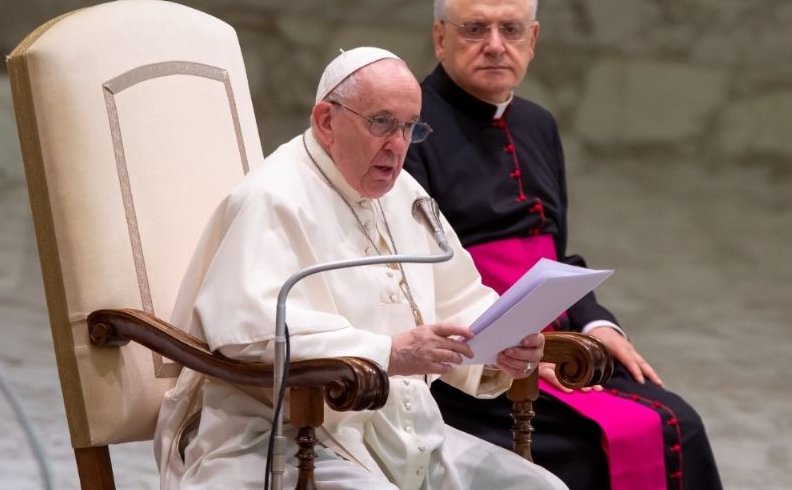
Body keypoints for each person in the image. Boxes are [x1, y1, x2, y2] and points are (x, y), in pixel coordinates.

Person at [153, 47, 567, 489]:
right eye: (382, 122)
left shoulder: (403, 192)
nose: (398, 145)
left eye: (410, 127)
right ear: (326, 121)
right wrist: (388, 353)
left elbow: (459, 296)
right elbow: (249, 331)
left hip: (400, 432)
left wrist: (499, 346)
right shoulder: (272, 198)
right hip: (282, 437)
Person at [403, 0, 724, 490]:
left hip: (559, 338)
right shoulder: (410, 127)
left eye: (510, 29)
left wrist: (598, 324)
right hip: (469, 364)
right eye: (474, 28)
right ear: (440, 37)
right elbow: (411, 278)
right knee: (586, 449)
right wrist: (515, 346)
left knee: (679, 425)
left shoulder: (537, 124)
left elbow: (555, 254)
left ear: (533, 39)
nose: (494, 44)